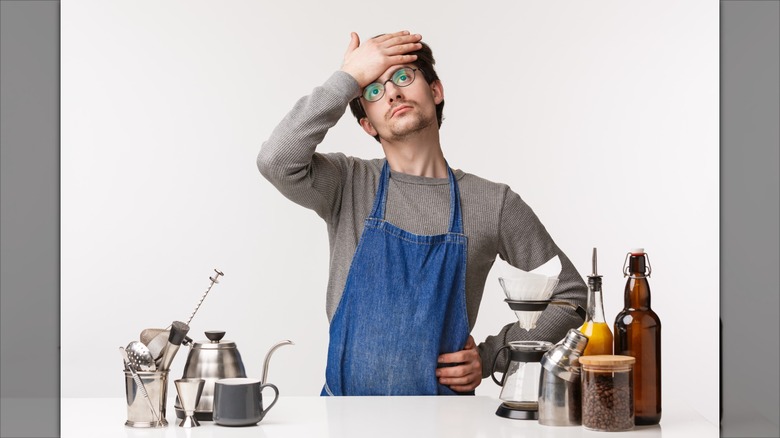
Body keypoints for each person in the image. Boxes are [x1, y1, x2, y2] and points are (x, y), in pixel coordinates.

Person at [257, 31, 587, 396]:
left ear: (436, 91)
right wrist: (348, 77)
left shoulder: (492, 203)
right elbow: (276, 160)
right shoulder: (347, 184)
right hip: (346, 418)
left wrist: (496, 354)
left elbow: (571, 297)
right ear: (368, 124)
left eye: (403, 77)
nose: (393, 93)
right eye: (373, 90)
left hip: (444, 421)